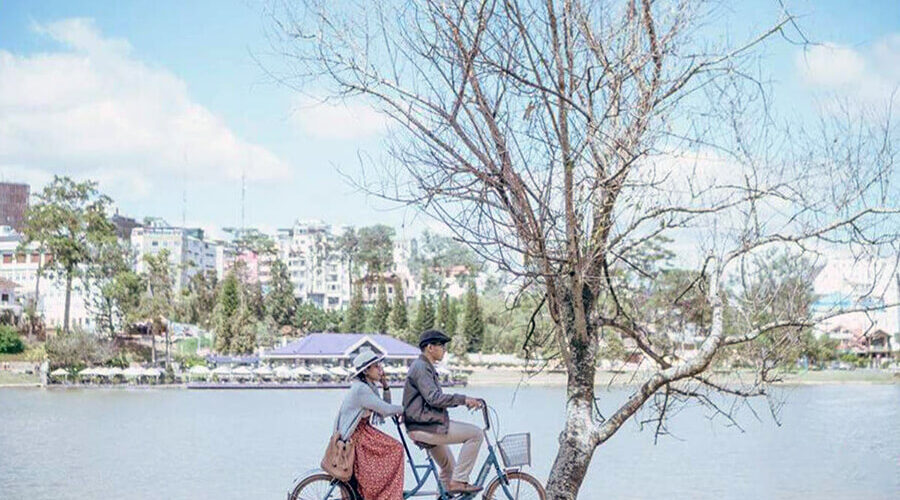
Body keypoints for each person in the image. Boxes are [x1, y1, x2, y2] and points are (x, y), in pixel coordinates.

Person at [402, 329, 484, 494]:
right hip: (425, 427)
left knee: (449, 469)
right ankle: (460, 481)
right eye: (441, 345)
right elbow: (433, 398)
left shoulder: (425, 366)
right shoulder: (421, 367)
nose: (444, 350)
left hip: (424, 426)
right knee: (476, 434)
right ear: (430, 347)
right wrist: (463, 399)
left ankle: (447, 491)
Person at [335, 348, 405, 500]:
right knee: (396, 449)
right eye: (376, 366)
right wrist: (405, 410)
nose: (381, 370)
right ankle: (384, 495)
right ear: (366, 371)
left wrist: (385, 386)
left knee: (393, 450)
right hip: (357, 436)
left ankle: (383, 493)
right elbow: (386, 410)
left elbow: (384, 406)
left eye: (380, 365)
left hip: (363, 432)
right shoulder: (361, 390)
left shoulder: (368, 387)